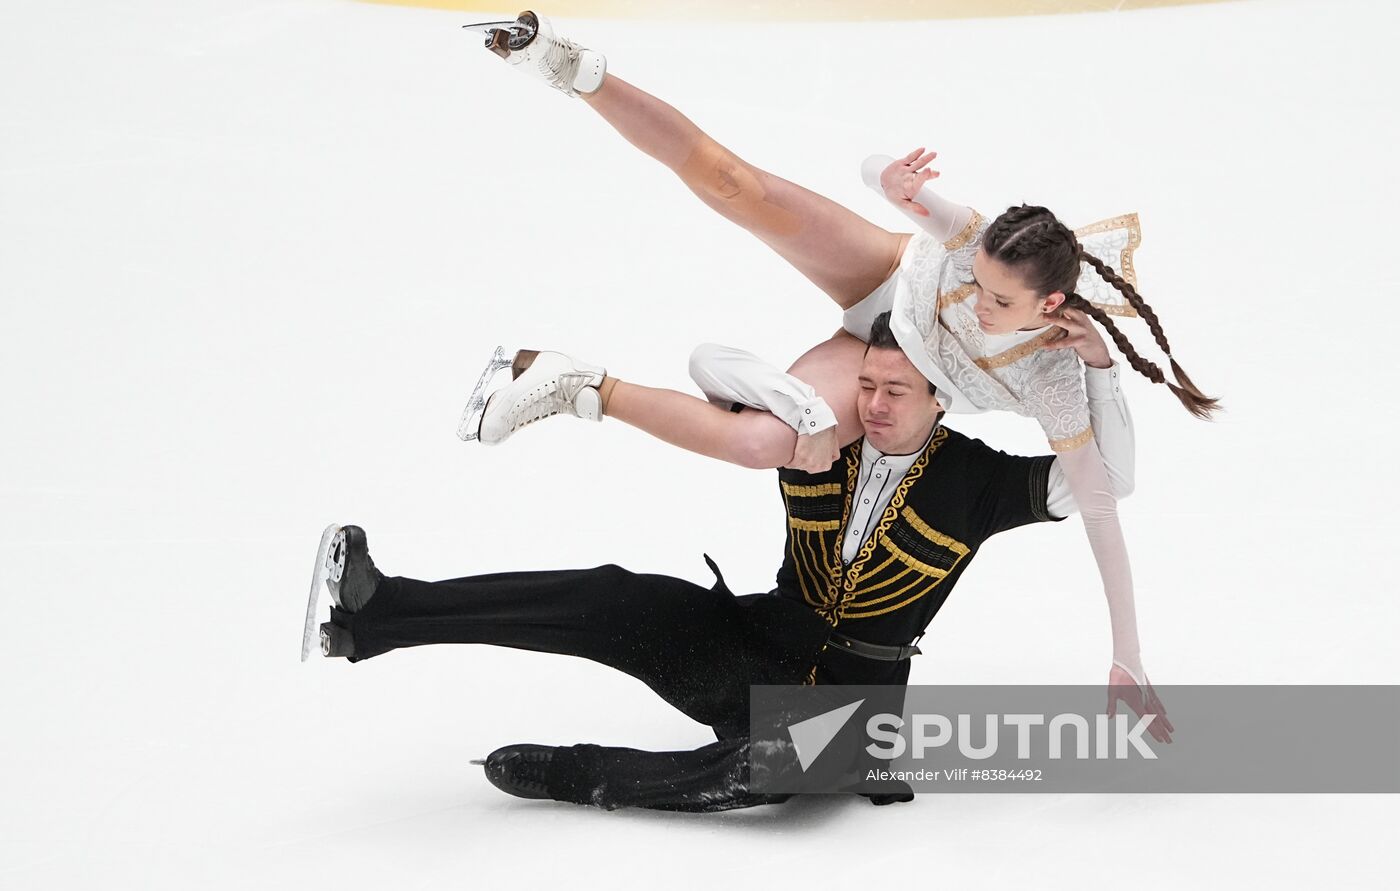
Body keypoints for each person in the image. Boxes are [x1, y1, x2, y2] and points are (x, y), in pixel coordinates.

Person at [462, 10, 1220, 692]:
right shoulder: (973, 245)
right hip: (887, 282)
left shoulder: (1055, 375)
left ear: (1050, 307)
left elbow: (1102, 501)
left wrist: (1129, 654)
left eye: (998, 302)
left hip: (891, 361)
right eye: (978, 279)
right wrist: (888, 179)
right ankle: (571, 68)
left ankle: (568, 383)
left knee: (767, 443)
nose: (977, 304)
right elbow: (883, 182)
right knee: (736, 186)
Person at [309, 313, 1170, 812]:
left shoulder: (980, 479)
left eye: (894, 391)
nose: (871, 403)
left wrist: (1096, 365)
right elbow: (709, 364)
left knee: (754, 769)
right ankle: (380, 612)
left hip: (856, 714)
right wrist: (795, 399)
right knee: (616, 598)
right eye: (866, 382)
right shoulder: (819, 433)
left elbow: (1113, 479)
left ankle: (580, 772)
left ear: (940, 399)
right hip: (753, 646)